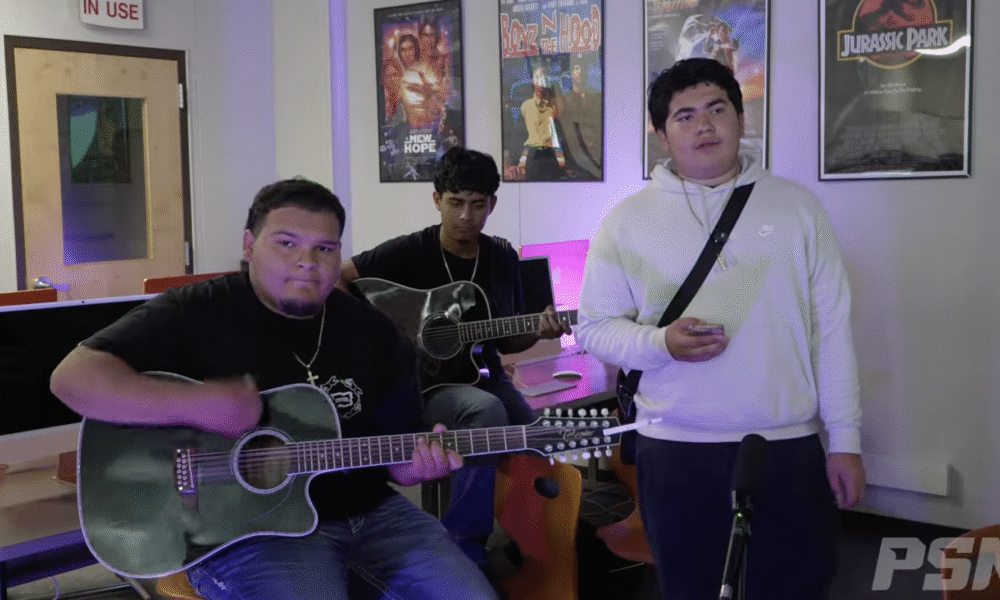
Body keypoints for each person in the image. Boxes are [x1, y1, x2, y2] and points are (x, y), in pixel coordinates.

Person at [49, 178, 499, 600]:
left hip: (374, 515)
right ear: (249, 245)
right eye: (287, 243)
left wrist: (418, 467)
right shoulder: (199, 310)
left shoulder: (375, 333)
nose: (307, 261)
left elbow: (399, 466)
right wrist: (196, 404)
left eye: (325, 248)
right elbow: (72, 378)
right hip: (244, 529)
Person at [576, 58, 866, 600]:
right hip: (674, 447)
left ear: (740, 117)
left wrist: (845, 440)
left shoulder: (798, 209)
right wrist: (660, 343)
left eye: (717, 109)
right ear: (661, 134)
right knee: (692, 589)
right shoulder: (626, 222)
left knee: (797, 587)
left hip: (785, 444)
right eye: (684, 116)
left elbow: (832, 330)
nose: (704, 125)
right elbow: (594, 327)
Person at [339, 146, 571, 565]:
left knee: (538, 441)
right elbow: (340, 278)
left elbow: (506, 341)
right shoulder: (410, 251)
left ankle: (535, 547)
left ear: (492, 205)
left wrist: (539, 330)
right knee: (485, 411)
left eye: (477, 205)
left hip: (483, 374)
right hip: (420, 386)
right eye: (455, 203)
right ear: (437, 200)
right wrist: (372, 341)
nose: (465, 216)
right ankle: (465, 542)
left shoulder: (501, 257)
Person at [516, 66, 563, 180]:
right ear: (533, 81)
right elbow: (521, 136)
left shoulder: (556, 106)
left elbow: (562, 136)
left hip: (551, 156)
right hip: (533, 157)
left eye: (543, 77)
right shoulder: (526, 106)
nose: (540, 81)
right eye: (537, 77)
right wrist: (519, 162)